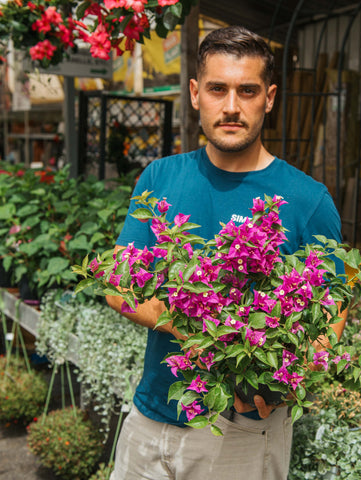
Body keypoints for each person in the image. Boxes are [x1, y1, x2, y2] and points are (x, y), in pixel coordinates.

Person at [106, 25, 347, 480]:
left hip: (242, 432)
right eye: (218, 89)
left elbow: (332, 312)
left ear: (269, 98)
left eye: (248, 91)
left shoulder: (307, 199)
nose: (232, 106)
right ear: (196, 93)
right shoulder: (160, 178)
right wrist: (212, 333)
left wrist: (285, 376)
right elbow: (118, 286)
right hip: (151, 414)